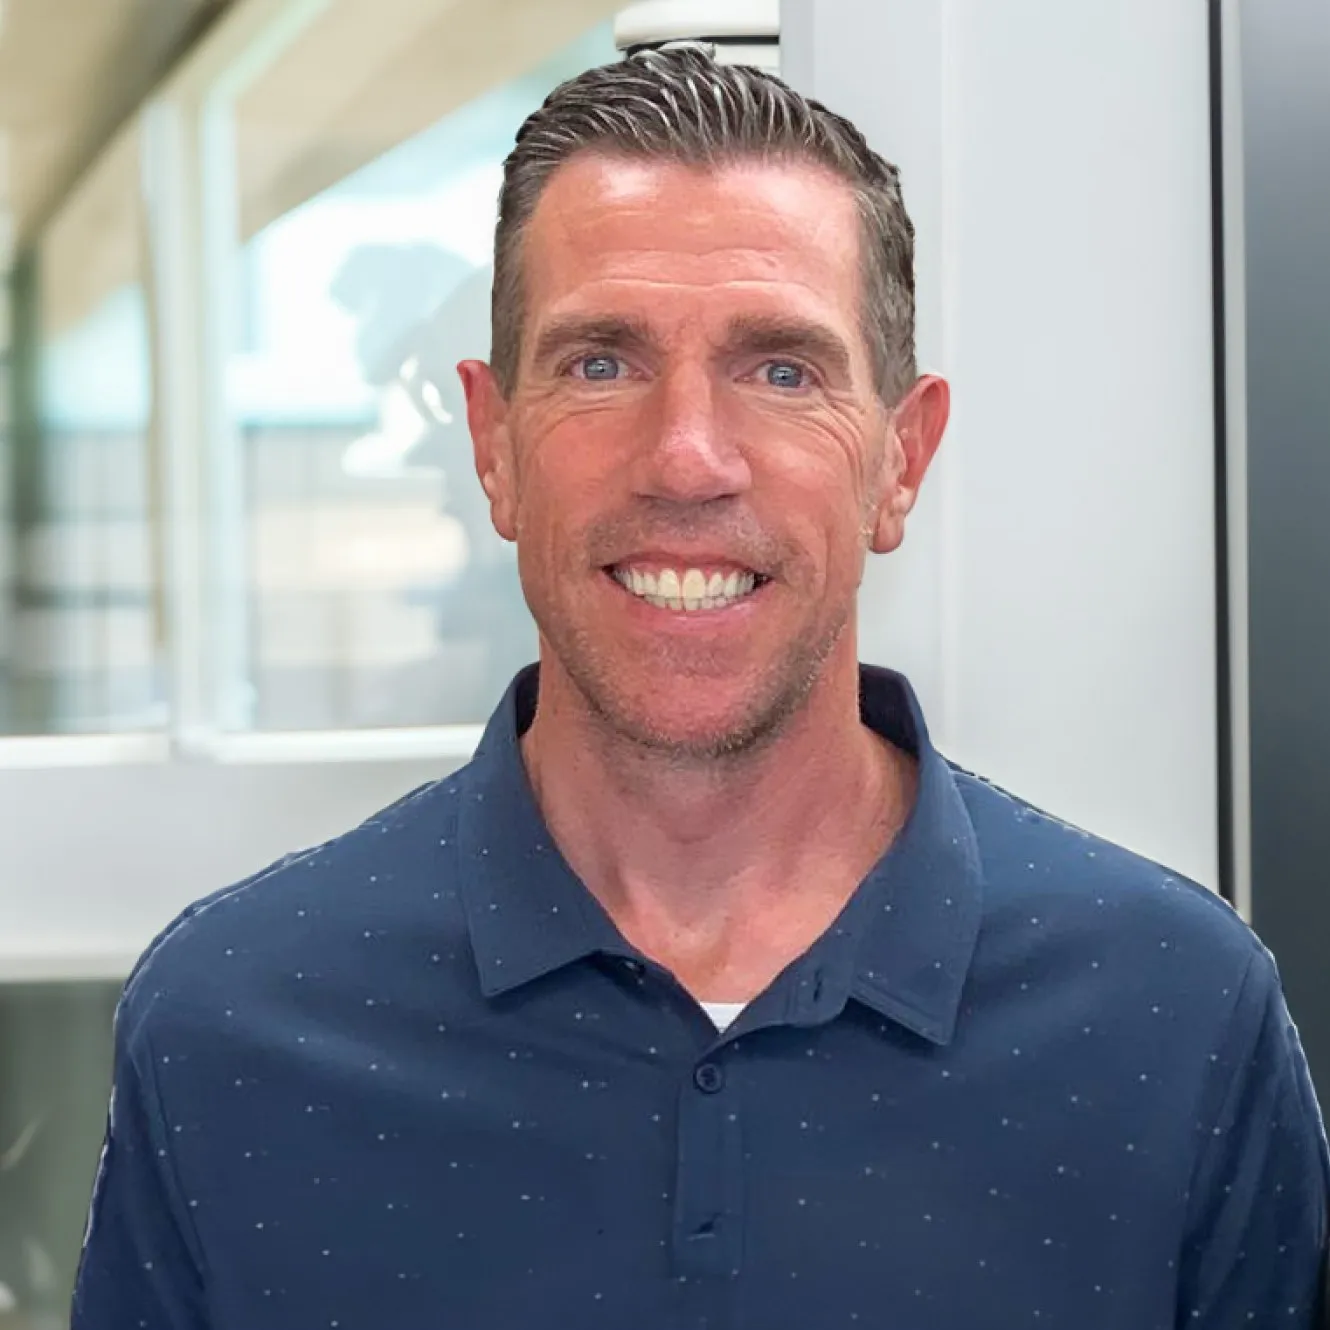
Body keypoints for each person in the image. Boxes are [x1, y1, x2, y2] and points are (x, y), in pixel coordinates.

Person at [72, 45, 1328, 1329]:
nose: (686, 458)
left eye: (781, 369)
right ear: (494, 446)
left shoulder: (1174, 1013)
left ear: (901, 460)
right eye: (601, 363)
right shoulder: (229, 1024)